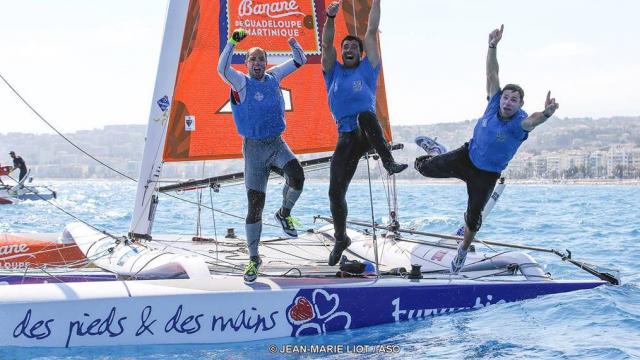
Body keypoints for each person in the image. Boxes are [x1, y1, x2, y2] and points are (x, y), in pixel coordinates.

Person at [415, 25, 560, 274]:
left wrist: (546, 113)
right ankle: (438, 151)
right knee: (422, 166)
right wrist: (492, 46)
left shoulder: (520, 123)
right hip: (465, 157)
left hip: (485, 175)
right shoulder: (494, 104)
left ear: (520, 104)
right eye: (505, 97)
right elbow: (492, 75)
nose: (507, 102)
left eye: (514, 100)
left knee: (473, 218)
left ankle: (461, 253)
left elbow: (534, 119)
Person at [321, 0, 408, 266]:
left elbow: (371, 31)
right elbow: (326, 45)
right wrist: (330, 18)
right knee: (335, 194)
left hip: (366, 132)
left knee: (365, 115)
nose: (348, 49)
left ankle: (388, 162)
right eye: (345, 47)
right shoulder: (332, 71)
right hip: (345, 139)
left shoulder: (367, 69)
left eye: (353, 48)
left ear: (360, 54)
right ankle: (340, 238)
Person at [217, 29, 307, 284]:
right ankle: (254, 258)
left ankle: (284, 212)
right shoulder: (241, 82)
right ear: (246, 64)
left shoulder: (274, 76)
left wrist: (292, 41)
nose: (257, 63)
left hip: (276, 144)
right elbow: (222, 69)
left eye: (261, 59)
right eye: (252, 60)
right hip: (254, 150)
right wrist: (232, 42)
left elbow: (300, 60)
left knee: (297, 176)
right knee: (255, 207)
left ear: (266, 63)